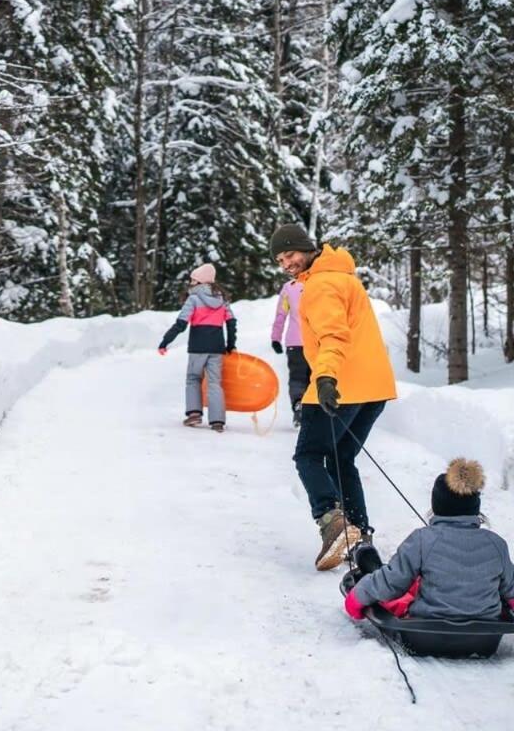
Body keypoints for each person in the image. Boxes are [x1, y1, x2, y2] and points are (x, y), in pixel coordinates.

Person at [268, 223, 397, 571]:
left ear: (307, 248)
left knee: (308, 455)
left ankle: (334, 523)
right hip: (373, 388)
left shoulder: (321, 285)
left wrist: (324, 378)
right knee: (341, 458)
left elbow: (333, 336)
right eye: (280, 259)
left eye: (291, 254)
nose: (287, 264)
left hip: (340, 384)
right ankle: (360, 536)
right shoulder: (345, 277)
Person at [343, 458, 514, 620]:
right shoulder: (496, 544)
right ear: (475, 508)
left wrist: (357, 597)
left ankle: (365, 558)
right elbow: (512, 592)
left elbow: (392, 581)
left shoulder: (422, 539)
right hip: (486, 632)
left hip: (428, 627)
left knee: (398, 592)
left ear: (437, 506)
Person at [157, 263, 237, 433]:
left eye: (193, 280)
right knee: (215, 383)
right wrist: (231, 344)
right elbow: (231, 323)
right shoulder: (222, 300)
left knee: (193, 378)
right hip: (216, 348)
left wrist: (165, 341)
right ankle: (217, 421)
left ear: (199, 281)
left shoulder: (193, 299)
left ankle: (194, 414)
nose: (191, 282)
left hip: (197, 347)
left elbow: (181, 323)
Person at [270, 277, 310, 428]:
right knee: (315, 379)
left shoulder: (289, 287)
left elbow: (281, 314)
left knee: (297, 378)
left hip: (294, 343)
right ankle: (314, 412)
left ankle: (298, 404)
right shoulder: (318, 284)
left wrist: (276, 338)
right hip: (316, 342)